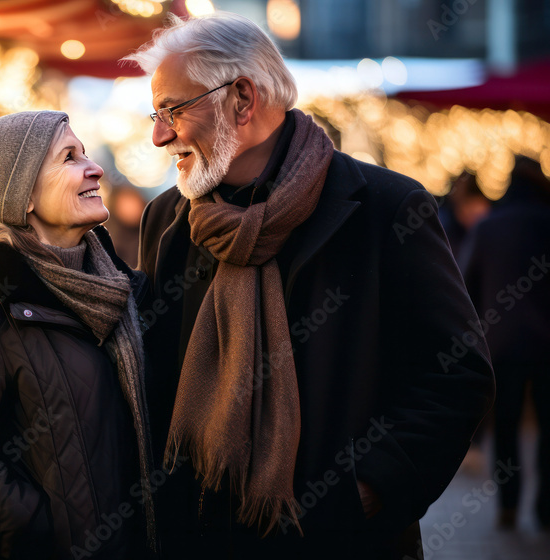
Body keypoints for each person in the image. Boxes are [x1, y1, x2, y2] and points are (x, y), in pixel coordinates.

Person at [125, 13, 495, 559]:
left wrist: (365, 492)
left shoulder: (387, 208)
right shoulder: (168, 219)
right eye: (156, 114)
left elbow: (456, 374)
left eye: (172, 111)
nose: (158, 135)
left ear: (242, 100)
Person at [0, 111, 155, 559]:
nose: (95, 167)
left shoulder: (115, 290)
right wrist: (52, 532)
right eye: (69, 157)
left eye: (85, 153)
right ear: (21, 195)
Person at [460, 156, 550, 530]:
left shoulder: (489, 227)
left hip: (502, 345)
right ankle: (546, 509)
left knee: (507, 426)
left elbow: (465, 284)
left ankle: (508, 507)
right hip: (548, 347)